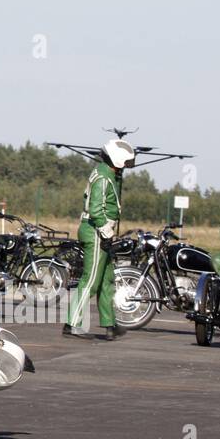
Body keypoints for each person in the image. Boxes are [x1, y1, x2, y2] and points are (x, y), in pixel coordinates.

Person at [63, 139, 135, 341]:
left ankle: (109, 324)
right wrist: (106, 233)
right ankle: (72, 324)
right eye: (126, 163)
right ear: (117, 159)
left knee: (106, 280)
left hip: (100, 231)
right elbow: (96, 210)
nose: (127, 167)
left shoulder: (107, 173)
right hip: (96, 231)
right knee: (92, 280)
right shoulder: (104, 178)